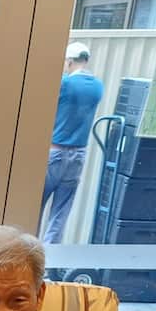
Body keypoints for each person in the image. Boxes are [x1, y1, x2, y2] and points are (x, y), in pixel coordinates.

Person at [40, 42, 104, 244]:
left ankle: (27, 256)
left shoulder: (64, 84)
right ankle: (49, 261)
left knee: (35, 208)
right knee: (60, 213)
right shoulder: (97, 86)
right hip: (78, 155)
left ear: (69, 61)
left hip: (54, 152)